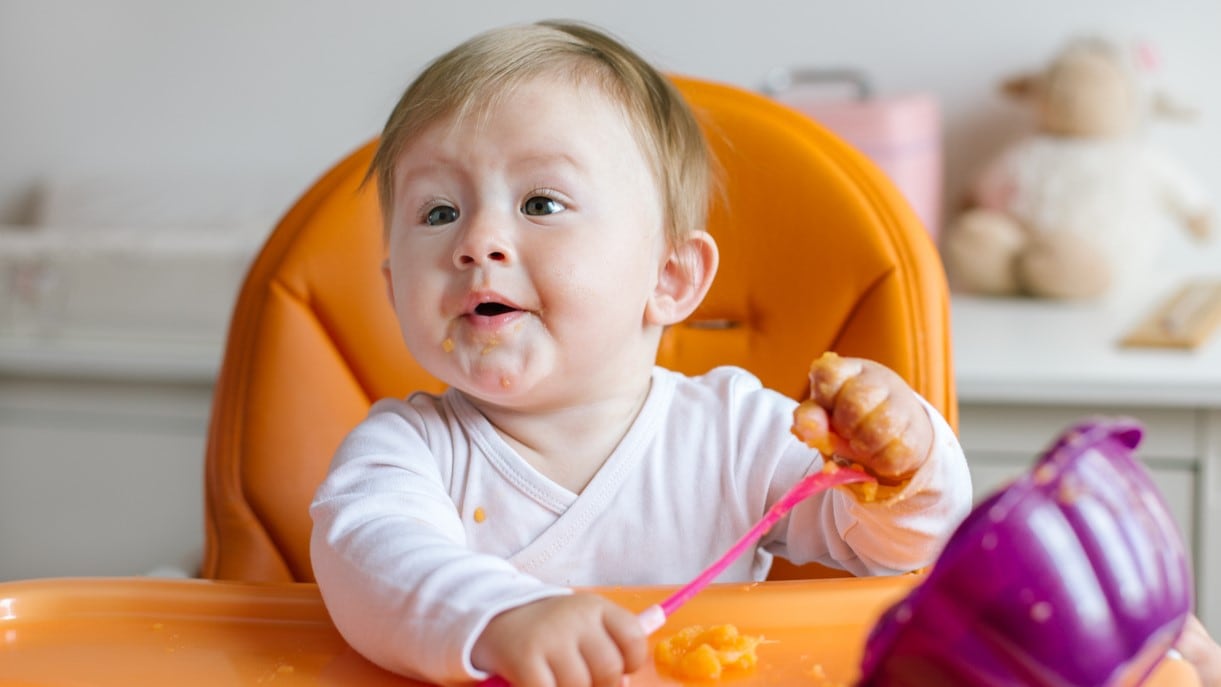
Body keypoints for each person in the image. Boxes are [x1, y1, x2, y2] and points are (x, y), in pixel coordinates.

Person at [308, 19, 974, 687]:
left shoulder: (733, 435)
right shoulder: (406, 451)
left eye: (540, 202)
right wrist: (503, 619)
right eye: (438, 212)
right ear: (394, 287)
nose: (478, 239)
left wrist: (901, 464)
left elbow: (911, 547)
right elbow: (368, 561)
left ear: (669, 277)